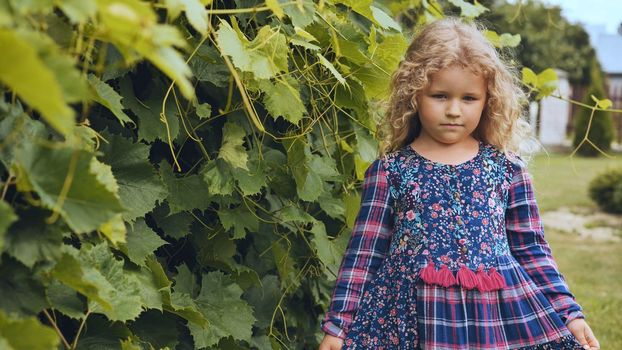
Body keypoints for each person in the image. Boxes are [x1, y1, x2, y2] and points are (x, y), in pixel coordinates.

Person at [319, 17, 600, 350]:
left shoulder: (508, 171)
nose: (454, 110)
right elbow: (364, 255)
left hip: (492, 321)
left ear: (488, 100)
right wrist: (337, 328)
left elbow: (532, 250)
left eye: (469, 98)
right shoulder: (390, 171)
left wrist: (570, 313)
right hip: (409, 322)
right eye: (439, 95)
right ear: (414, 95)